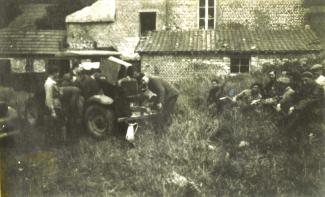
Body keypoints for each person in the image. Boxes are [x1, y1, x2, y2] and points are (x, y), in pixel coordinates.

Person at [44, 66, 66, 144]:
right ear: (54, 73)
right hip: (54, 106)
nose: (58, 74)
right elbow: (48, 97)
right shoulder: (49, 83)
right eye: (57, 72)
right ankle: (55, 142)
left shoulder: (53, 82)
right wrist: (52, 111)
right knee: (55, 124)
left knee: (59, 123)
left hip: (57, 104)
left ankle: (60, 141)